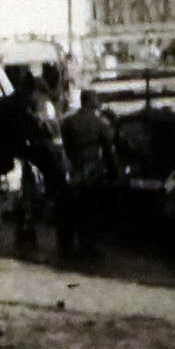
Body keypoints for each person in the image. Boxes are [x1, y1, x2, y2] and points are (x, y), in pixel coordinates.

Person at [60, 89, 118, 254]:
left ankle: (69, 241)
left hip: (75, 168)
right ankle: (89, 244)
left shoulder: (69, 121)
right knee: (90, 208)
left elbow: (66, 145)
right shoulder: (99, 123)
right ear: (91, 101)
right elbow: (108, 150)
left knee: (72, 206)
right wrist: (113, 172)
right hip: (93, 170)